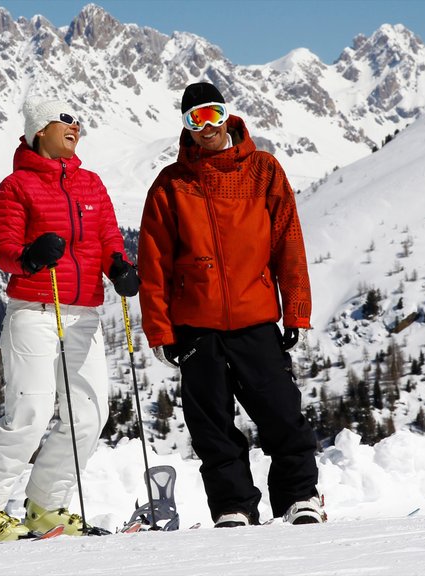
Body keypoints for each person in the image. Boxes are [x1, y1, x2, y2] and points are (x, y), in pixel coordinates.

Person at [137, 81, 325, 528]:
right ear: (185, 125)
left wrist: (296, 309)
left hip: (254, 319)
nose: (206, 126)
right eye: (195, 118)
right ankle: (232, 506)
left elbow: (288, 244)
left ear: (227, 115)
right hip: (196, 328)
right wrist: (161, 332)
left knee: (282, 414)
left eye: (212, 114)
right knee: (212, 428)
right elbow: (153, 264)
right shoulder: (171, 184)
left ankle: (299, 498)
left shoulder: (263, 171)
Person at [0, 97, 138, 541]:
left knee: (90, 414)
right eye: (66, 120)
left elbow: (108, 237)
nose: (77, 127)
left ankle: (45, 506)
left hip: (84, 315)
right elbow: (5, 251)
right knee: (32, 412)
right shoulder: (15, 186)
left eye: (80, 120)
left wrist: (119, 267)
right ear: (41, 129)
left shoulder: (92, 184)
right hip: (34, 311)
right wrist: (32, 258)